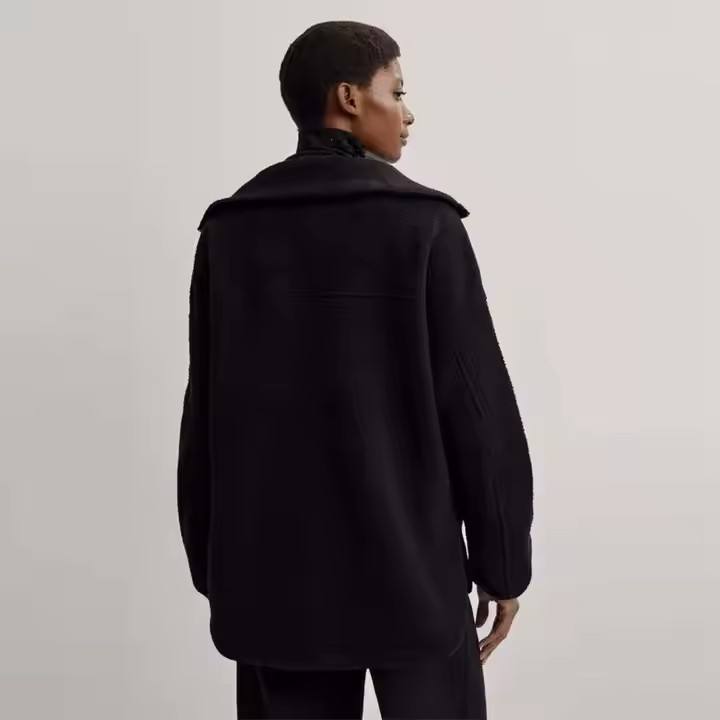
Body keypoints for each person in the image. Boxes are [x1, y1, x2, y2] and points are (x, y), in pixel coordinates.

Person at [177, 20, 534, 719]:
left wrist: (215, 565)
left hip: (273, 580)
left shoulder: (230, 230)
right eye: (395, 92)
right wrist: (502, 564)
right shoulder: (424, 225)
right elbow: (477, 407)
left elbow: (206, 416)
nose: (407, 112)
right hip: (417, 575)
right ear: (348, 97)